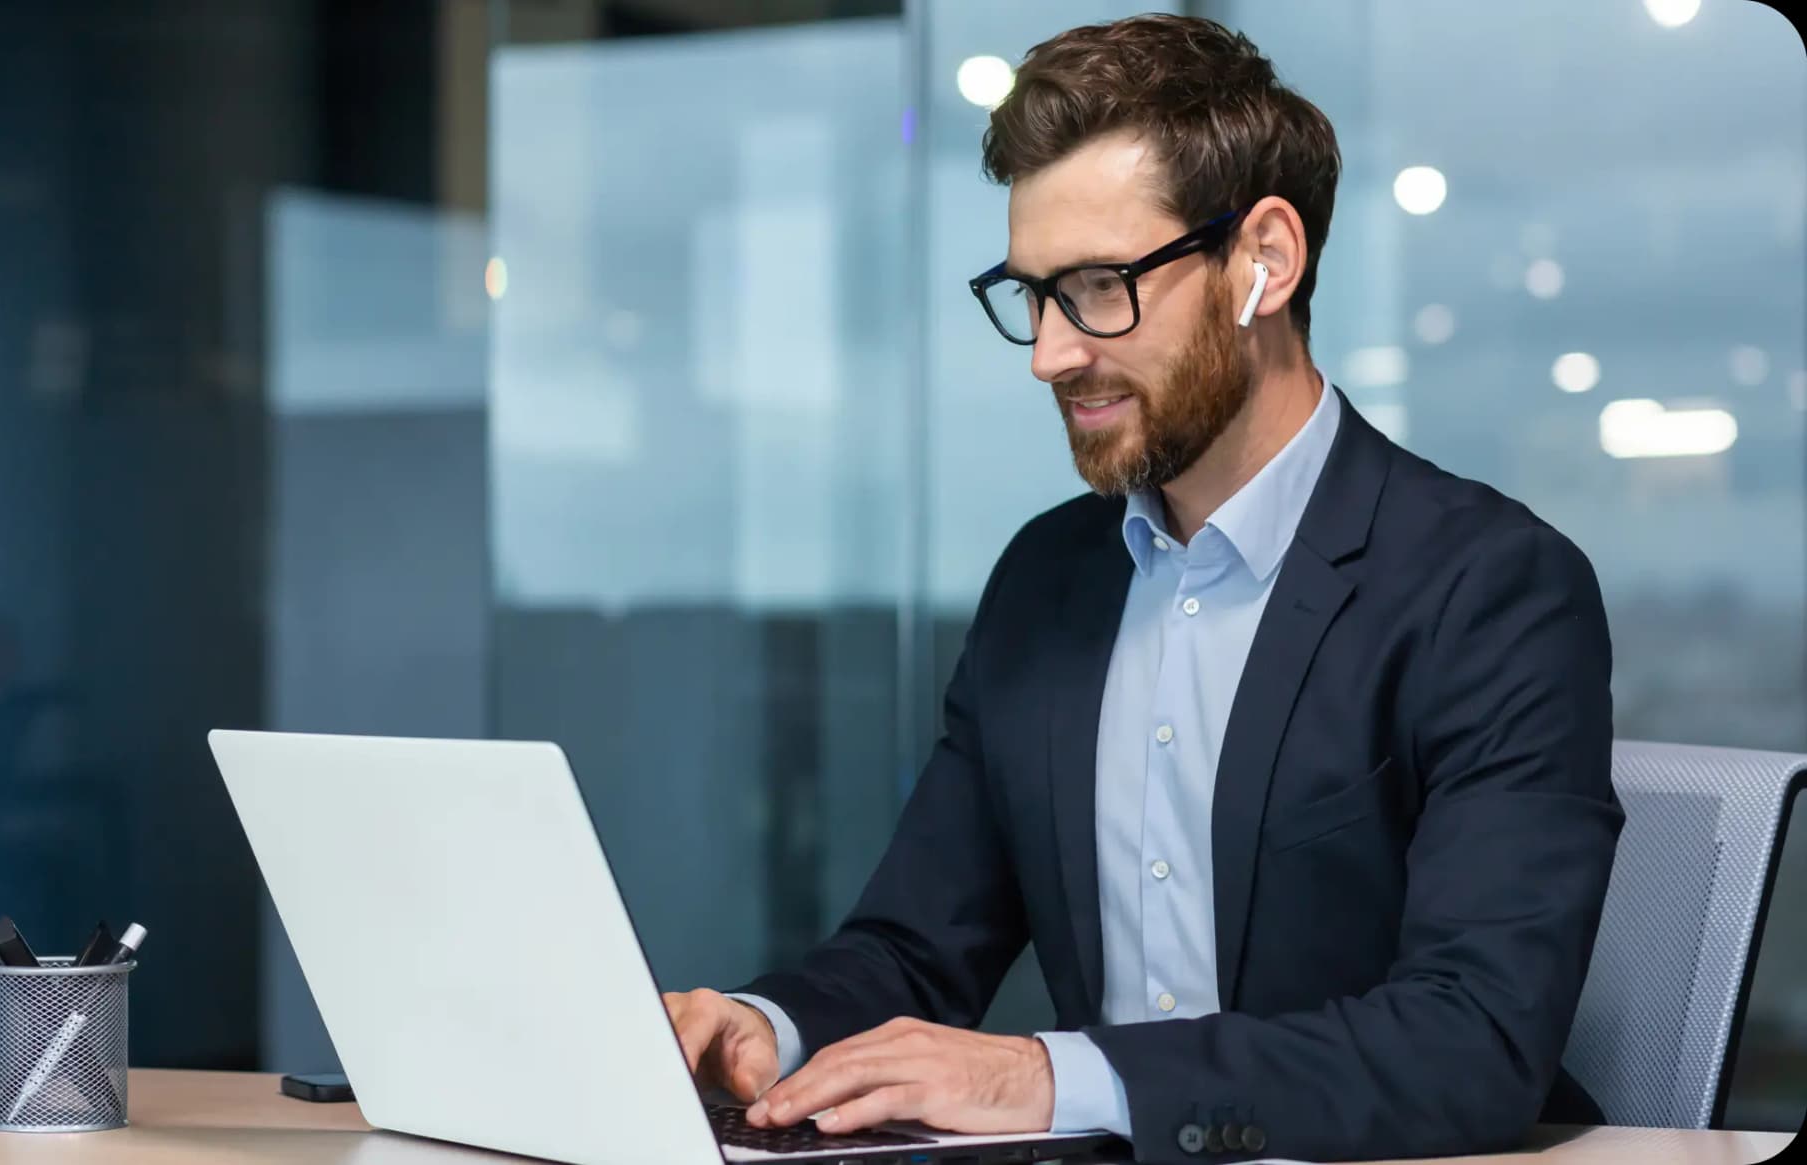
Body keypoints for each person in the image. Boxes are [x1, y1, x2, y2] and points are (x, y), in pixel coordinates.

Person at [665, 13, 1622, 1163]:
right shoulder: (1046, 582)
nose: (1049, 355)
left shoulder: (1491, 588)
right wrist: (763, 1030)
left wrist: (1048, 1073)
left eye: (1099, 286)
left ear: (1262, 261)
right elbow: (915, 948)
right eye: (1032, 295)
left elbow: (1471, 1040)